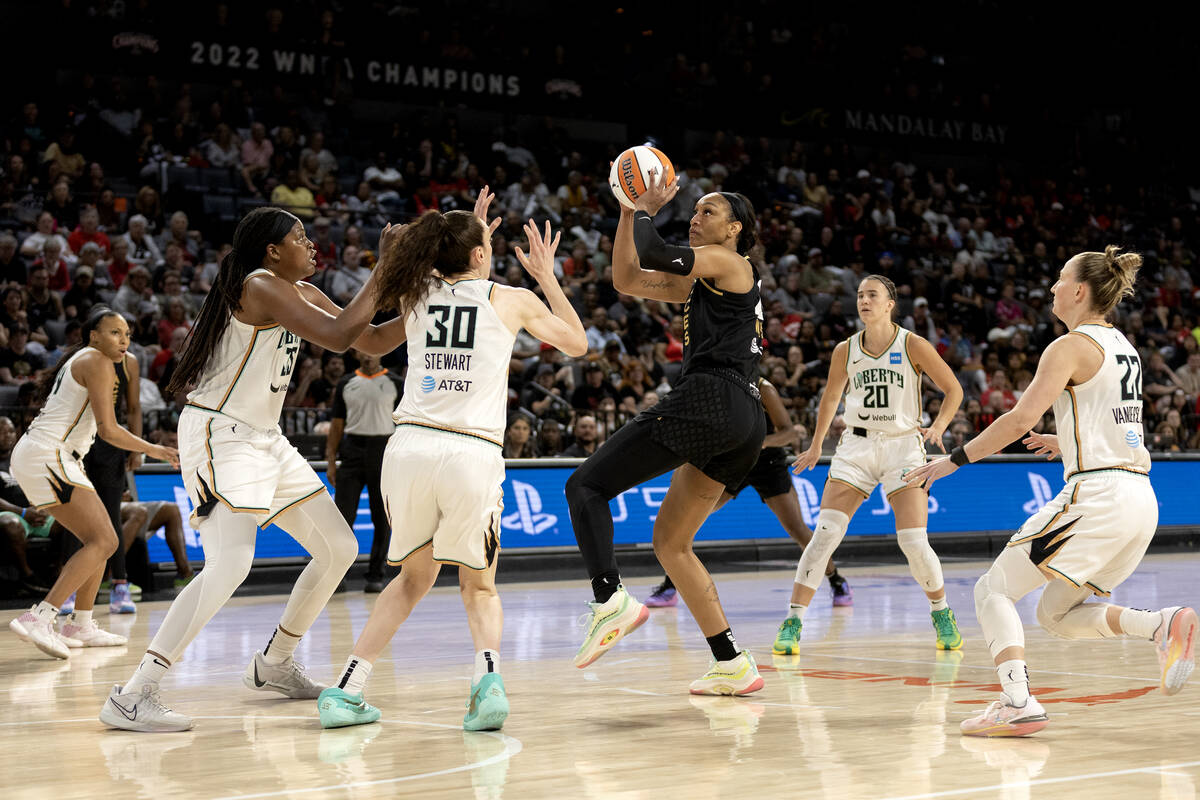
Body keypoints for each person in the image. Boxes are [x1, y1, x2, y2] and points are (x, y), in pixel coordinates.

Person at [100, 206, 392, 733]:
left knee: (339, 548)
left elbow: (368, 339)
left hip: (265, 438)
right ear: (272, 251)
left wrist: (425, 307)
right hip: (221, 433)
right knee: (231, 561)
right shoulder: (260, 284)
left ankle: (275, 663)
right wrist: (386, 270)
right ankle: (134, 692)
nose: (310, 244)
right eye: (299, 238)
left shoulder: (299, 290)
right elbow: (340, 336)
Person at [316, 188, 587, 732]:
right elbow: (577, 342)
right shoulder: (511, 299)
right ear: (482, 256)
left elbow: (370, 337)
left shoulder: (418, 294)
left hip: (410, 449)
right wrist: (545, 275)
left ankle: (346, 690)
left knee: (413, 579)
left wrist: (469, 233)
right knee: (479, 585)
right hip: (470, 452)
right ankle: (488, 685)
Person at [906, 246, 1197, 737]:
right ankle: (1161, 624)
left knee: (992, 589)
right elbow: (1120, 430)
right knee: (1055, 614)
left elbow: (1019, 419)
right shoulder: (1125, 347)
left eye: (1061, 279)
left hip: (1099, 497)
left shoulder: (1068, 347)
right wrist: (1068, 442)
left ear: (1080, 291)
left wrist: (953, 461)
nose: (1053, 287)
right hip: (1139, 500)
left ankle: (1016, 701)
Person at [565, 171, 769, 696]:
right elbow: (628, 277)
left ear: (736, 229)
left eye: (708, 213)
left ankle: (609, 600)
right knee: (672, 544)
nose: (696, 218)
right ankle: (732, 662)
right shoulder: (708, 279)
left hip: (712, 398)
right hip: (742, 419)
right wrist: (624, 210)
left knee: (584, 486)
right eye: (694, 211)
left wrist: (645, 207)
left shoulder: (730, 262)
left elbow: (653, 248)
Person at [784, 275, 965, 655]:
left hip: (903, 447)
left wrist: (940, 426)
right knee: (826, 534)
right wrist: (817, 445)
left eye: (873, 295)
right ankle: (793, 620)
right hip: (857, 446)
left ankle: (942, 612)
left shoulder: (912, 344)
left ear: (889, 304)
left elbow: (954, 390)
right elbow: (830, 399)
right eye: (860, 295)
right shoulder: (845, 350)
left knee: (913, 542)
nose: (864, 300)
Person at [7, 306, 178, 659]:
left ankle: (80, 624)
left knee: (98, 539)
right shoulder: (97, 361)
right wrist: (154, 448)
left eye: (127, 334)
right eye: (115, 332)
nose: (123, 340)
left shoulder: (89, 360)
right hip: (48, 455)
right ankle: (41, 616)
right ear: (93, 335)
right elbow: (109, 430)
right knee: (104, 539)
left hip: (50, 456)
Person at [644, 378, 852, 609]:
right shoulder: (718, 385)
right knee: (689, 521)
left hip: (766, 462)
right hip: (732, 461)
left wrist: (755, 443)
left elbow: (789, 433)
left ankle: (837, 580)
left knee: (797, 529)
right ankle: (670, 585)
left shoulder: (764, 388)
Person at [325, 348, 403, 593]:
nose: (368, 355)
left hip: (384, 451)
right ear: (357, 355)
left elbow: (404, 424)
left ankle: (376, 575)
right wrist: (330, 460)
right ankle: (339, 575)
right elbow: (337, 425)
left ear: (382, 353)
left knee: (382, 519)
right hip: (353, 450)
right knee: (342, 519)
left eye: (371, 352)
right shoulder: (346, 383)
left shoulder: (396, 383)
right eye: (362, 352)